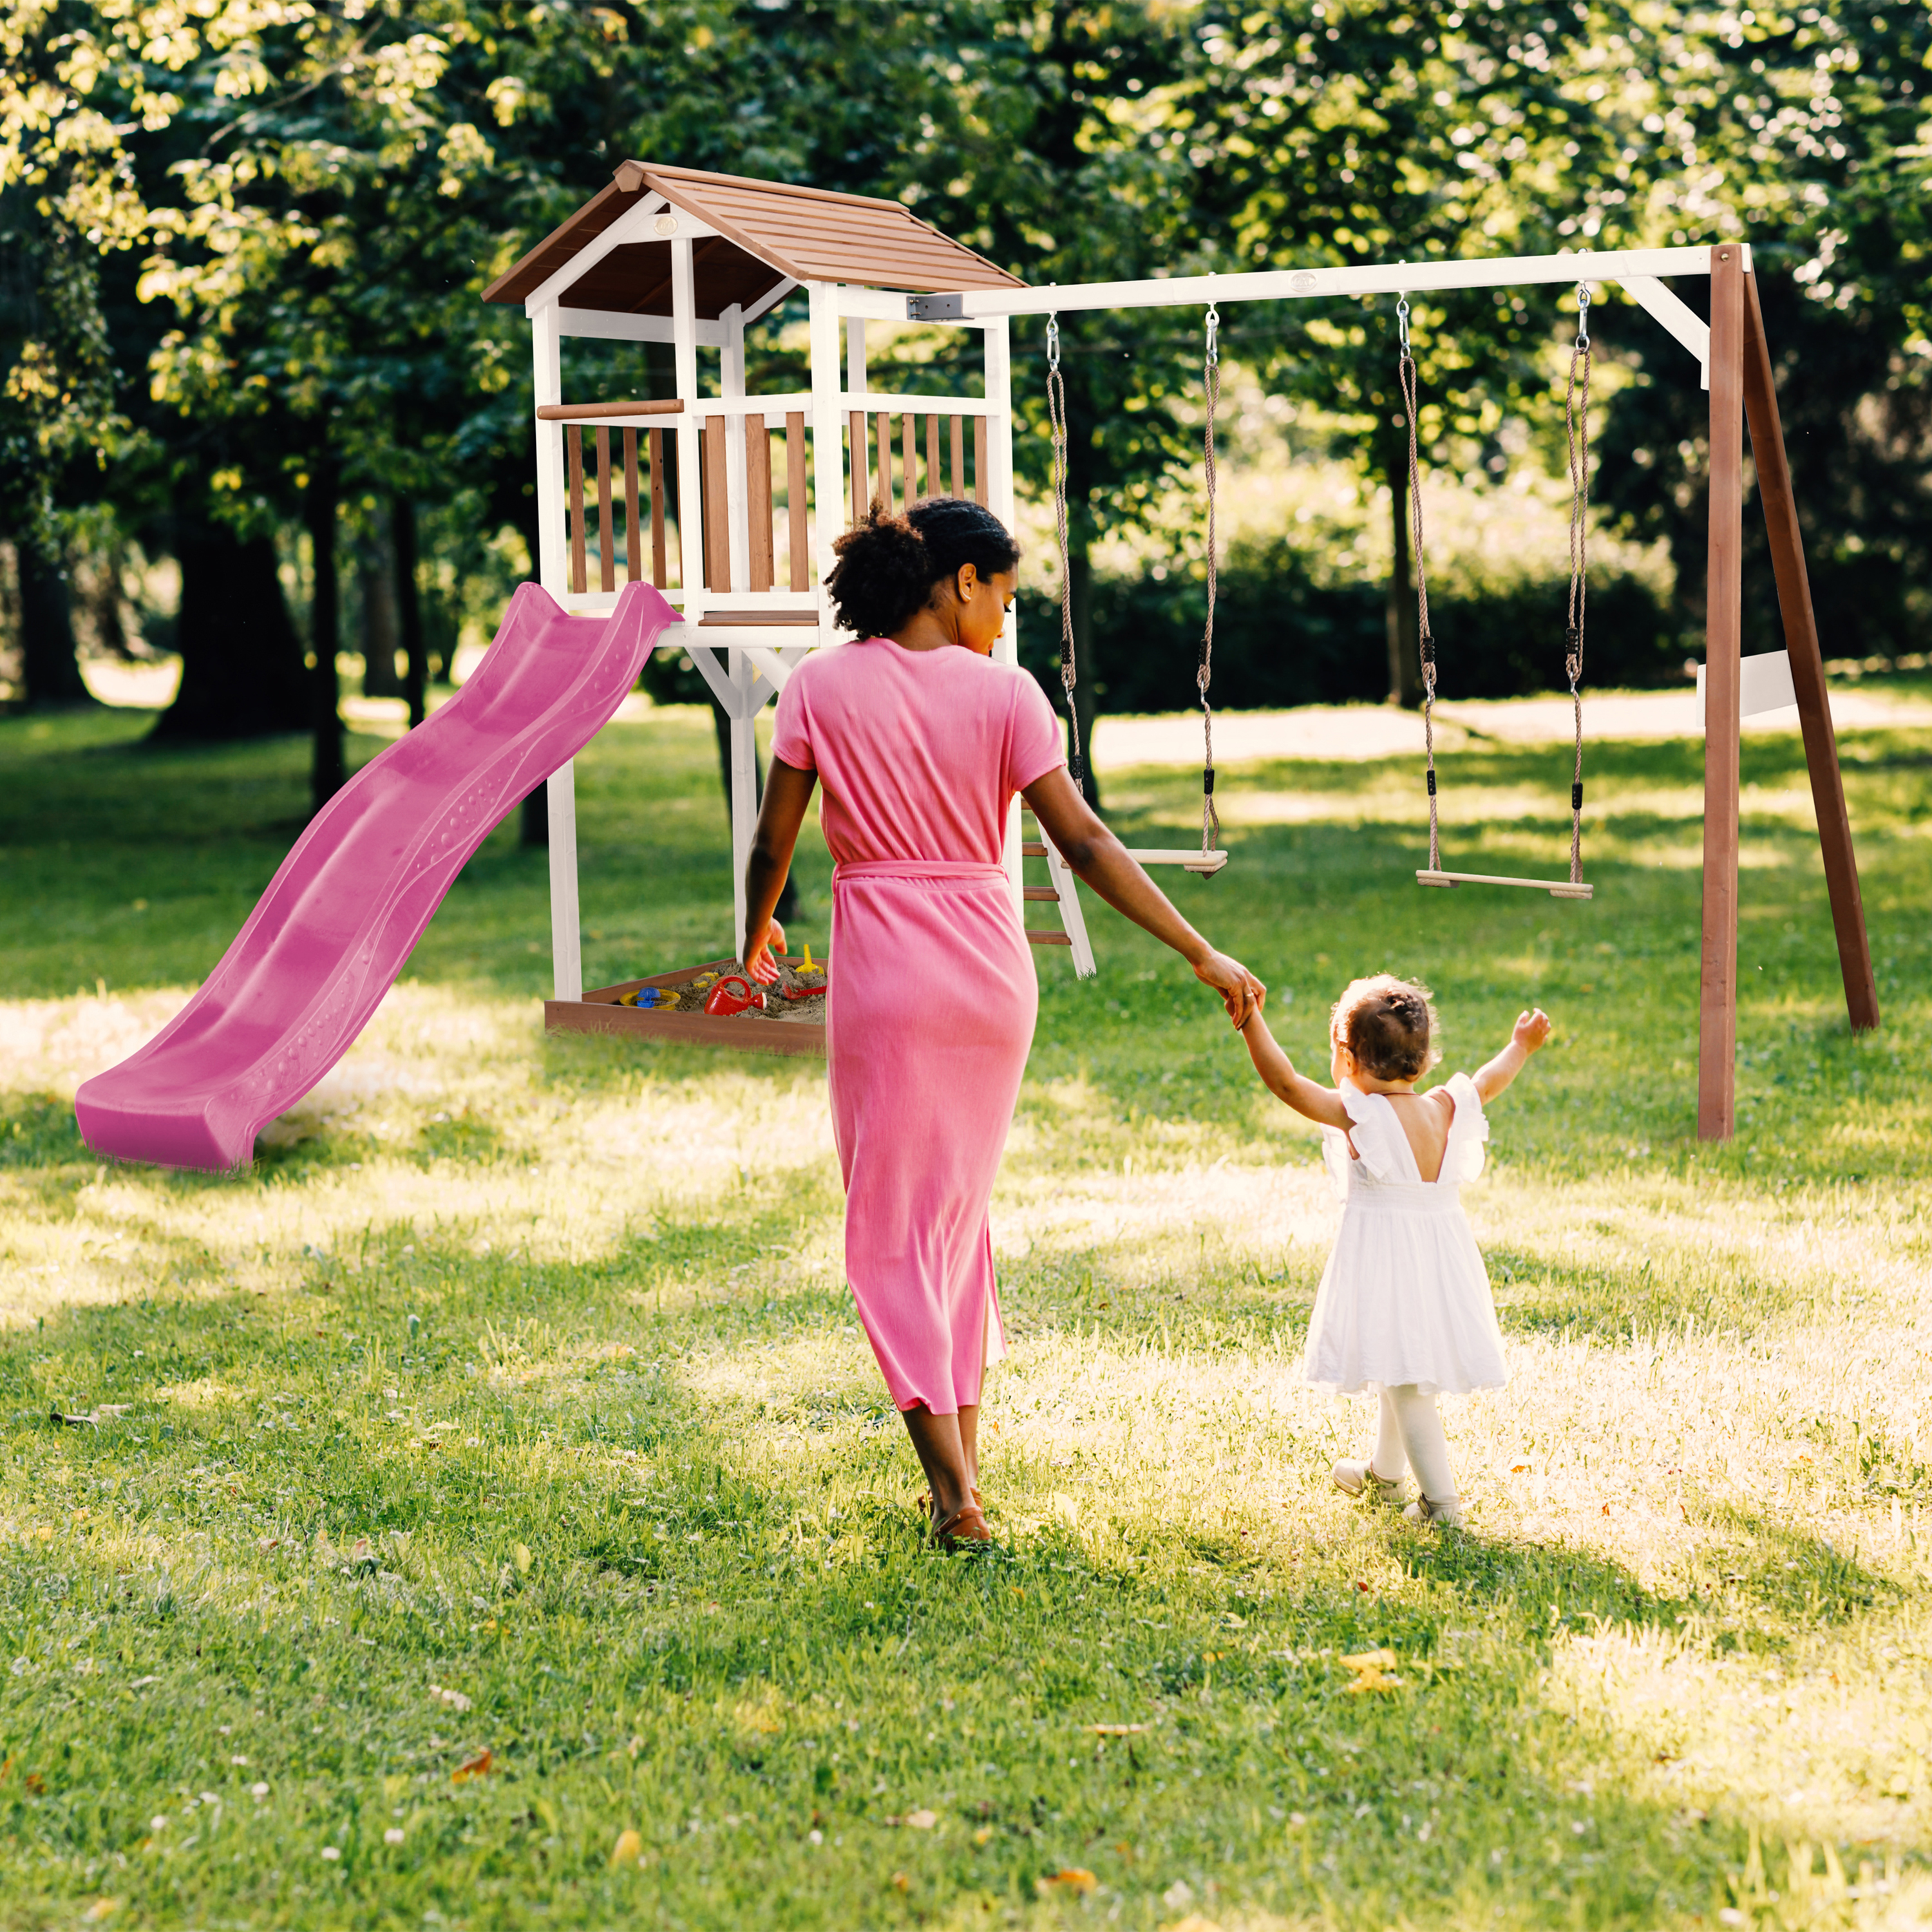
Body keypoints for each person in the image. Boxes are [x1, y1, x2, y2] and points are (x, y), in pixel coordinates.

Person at [741, 498, 1264, 1547]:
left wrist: (751, 937)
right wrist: (1198, 948)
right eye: (1006, 596)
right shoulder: (1008, 697)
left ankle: (954, 1496)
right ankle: (964, 1474)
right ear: (961, 581)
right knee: (952, 1225)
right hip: (989, 975)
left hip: (887, 974)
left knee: (891, 1232)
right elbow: (1085, 844)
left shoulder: (818, 687)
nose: (1006, 619)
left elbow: (773, 841)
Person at [1235, 974, 1551, 1526]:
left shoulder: (1361, 1116)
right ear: (1424, 1061)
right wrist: (1520, 1046)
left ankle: (1441, 1505)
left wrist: (1250, 1019)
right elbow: (1488, 1079)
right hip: (1439, 1261)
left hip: (1389, 1263)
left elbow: (1286, 1084)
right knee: (1395, 1362)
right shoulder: (1445, 1107)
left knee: (1406, 1384)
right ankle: (1384, 1475)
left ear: (1348, 1058)